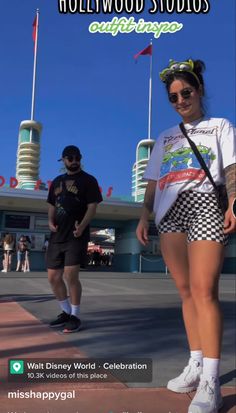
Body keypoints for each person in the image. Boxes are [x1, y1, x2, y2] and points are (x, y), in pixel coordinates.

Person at [136, 59, 236, 413]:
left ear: (200, 90)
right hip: (168, 209)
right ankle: (195, 363)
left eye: (186, 92)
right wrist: (145, 214)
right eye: (173, 97)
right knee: (184, 291)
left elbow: (231, 167)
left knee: (204, 290)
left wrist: (234, 201)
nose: (180, 100)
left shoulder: (219, 126)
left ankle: (211, 379)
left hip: (206, 203)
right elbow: (152, 179)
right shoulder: (166, 136)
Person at [47, 145, 103, 333]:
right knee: (53, 277)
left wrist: (83, 225)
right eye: (69, 158)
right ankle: (65, 312)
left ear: (80, 158)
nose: (73, 160)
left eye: (76, 157)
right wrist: (49, 221)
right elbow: (52, 205)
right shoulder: (56, 181)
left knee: (71, 275)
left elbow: (92, 206)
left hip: (76, 235)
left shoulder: (88, 181)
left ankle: (75, 316)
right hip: (57, 235)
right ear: (63, 160)